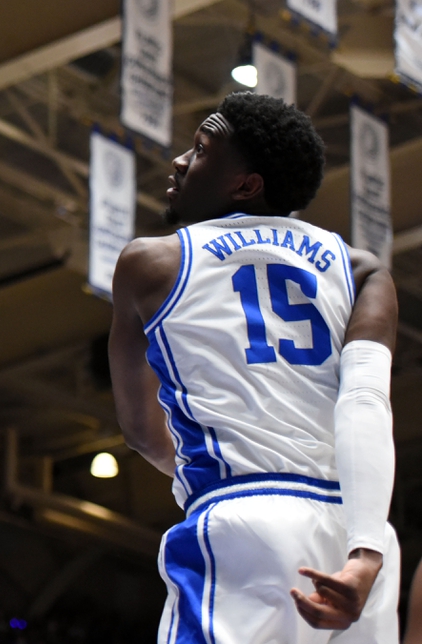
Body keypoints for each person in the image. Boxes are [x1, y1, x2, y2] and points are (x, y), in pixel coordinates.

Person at [107, 93, 399, 643]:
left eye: (200, 149)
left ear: (247, 184)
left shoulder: (151, 262)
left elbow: (144, 432)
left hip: (245, 521)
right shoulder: (363, 271)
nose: (179, 161)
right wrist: (364, 553)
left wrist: (243, 463)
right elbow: (365, 406)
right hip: (364, 536)